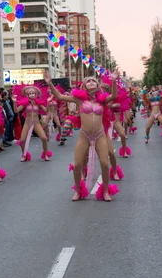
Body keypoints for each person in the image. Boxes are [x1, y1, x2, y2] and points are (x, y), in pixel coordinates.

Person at [44, 70, 120, 201]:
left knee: (104, 163)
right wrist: (50, 83)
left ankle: (106, 191)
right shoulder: (79, 100)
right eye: (88, 81)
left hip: (100, 135)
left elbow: (114, 95)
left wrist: (113, 80)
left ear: (97, 85)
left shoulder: (102, 101)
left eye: (93, 81)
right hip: (84, 135)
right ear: (84, 86)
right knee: (78, 165)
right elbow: (60, 96)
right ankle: (78, 191)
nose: (91, 82)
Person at [11, 83, 51, 162]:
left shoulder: (38, 103)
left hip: (36, 123)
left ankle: (45, 154)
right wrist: (14, 102)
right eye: (30, 93)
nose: (32, 95)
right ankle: (24, 154)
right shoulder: (25, 103)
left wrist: (48, 103)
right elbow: (16, 110)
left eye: (33, 93)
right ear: (27, 95)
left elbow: (46, 111)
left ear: (36, 94)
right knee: (22, 140)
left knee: (44, 138)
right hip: (27, 123)